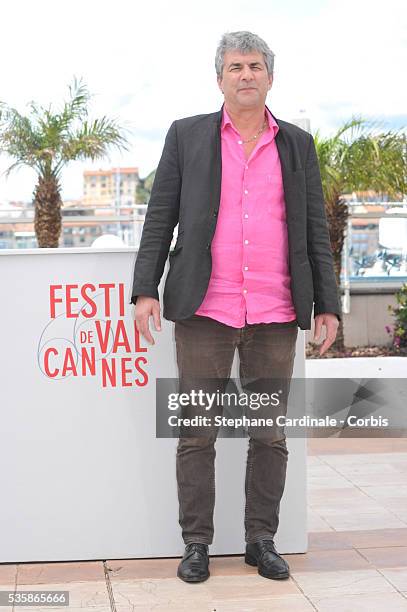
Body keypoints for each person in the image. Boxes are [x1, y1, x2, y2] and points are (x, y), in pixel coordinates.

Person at [130, 30, 341, 583]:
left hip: (275, 311)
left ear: (270, 76)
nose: (245, 75)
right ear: (219, 77)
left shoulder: (297, 144)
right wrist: (145, 289)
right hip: (205, 310)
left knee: (269, 434)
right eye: (235, 67)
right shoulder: (187, 136)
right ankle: (196, 544)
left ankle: (260, 539)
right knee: (197, 430)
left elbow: (315, 230)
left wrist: (328, 303)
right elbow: (160, 218)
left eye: (254, 66)